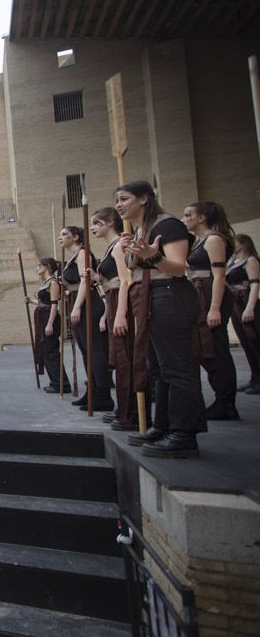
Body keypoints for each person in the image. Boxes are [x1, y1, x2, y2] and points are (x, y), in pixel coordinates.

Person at [117, 180, 206, 458]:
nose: (119, 205)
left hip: (171, 295)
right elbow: (135, 268)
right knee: (158, 367)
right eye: (117, 200)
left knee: (177, 367)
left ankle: (184, 433)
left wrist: (153, 256)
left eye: (124, 198)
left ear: (144, 199)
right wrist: (130, 251)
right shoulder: (141, 230)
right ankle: (164, 424)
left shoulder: (168, 226)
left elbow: (179, 268)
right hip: (150, 296)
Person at [183, 201, 238, 420]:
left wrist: (214, 308)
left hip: (210, 294)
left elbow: (219, 276)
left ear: (202, 218)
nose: (184, 218)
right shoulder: (199, 241)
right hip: (199, 293)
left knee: (215, 348)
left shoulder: (214, 239)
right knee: (206, 349)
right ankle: (221, 398)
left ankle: (226, 403)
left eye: (188, 215)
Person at [90, 208, 135, 430]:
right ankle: (123, 408)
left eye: (97, 223)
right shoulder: (111, 247)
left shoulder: (119, 245)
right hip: (112, 298)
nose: (92, 228)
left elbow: (126, 279)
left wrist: (120, 313)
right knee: (118, 357)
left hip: (121, 300)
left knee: (125, 357)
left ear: (109, 223)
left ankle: (131, 412)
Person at [60, 227, 114, 411]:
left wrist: (77, 307)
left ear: (76, 237)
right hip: (76, 299)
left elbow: (85, 281)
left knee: (94, 350)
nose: (61, 238)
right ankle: (92, 391)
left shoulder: (82, 253)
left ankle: (103, 395)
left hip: (87, 302)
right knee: (86, 351)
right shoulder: (72, 257)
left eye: (65, 234)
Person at [25, 257, 71, 394]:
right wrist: (31, 301)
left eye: (39, 265)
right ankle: (55, 382)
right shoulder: (46, 283)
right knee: (46, 351)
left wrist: (50, 323)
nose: (37, 268)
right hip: (43, 316)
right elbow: (43, 303)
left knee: (51, 351)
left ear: (47, 267)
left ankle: (61, 384)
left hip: (49, 317)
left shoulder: (53, 283)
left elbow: (54, 305)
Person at [226, 234, 260, 394]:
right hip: (236, 305)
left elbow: (254, 285)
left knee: (255, 342)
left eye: (235, 242)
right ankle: (255, 377)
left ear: (244, 243)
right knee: (246, 343)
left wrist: (250, 307)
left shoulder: (251, 260)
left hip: (247, 303)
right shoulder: (232, 262)